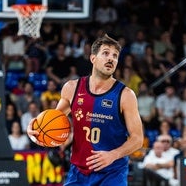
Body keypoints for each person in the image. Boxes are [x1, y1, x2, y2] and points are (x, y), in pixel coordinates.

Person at [27, 34, 143, 185]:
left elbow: (138, 139)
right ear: (93, 58)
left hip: (112, 173)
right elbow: (52, 121)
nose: (111, 59)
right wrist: (35, 127)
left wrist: (113, 155)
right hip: (79, 172)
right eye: (106, 53)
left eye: (115, 56)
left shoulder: (126, 95)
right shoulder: (71, 88)